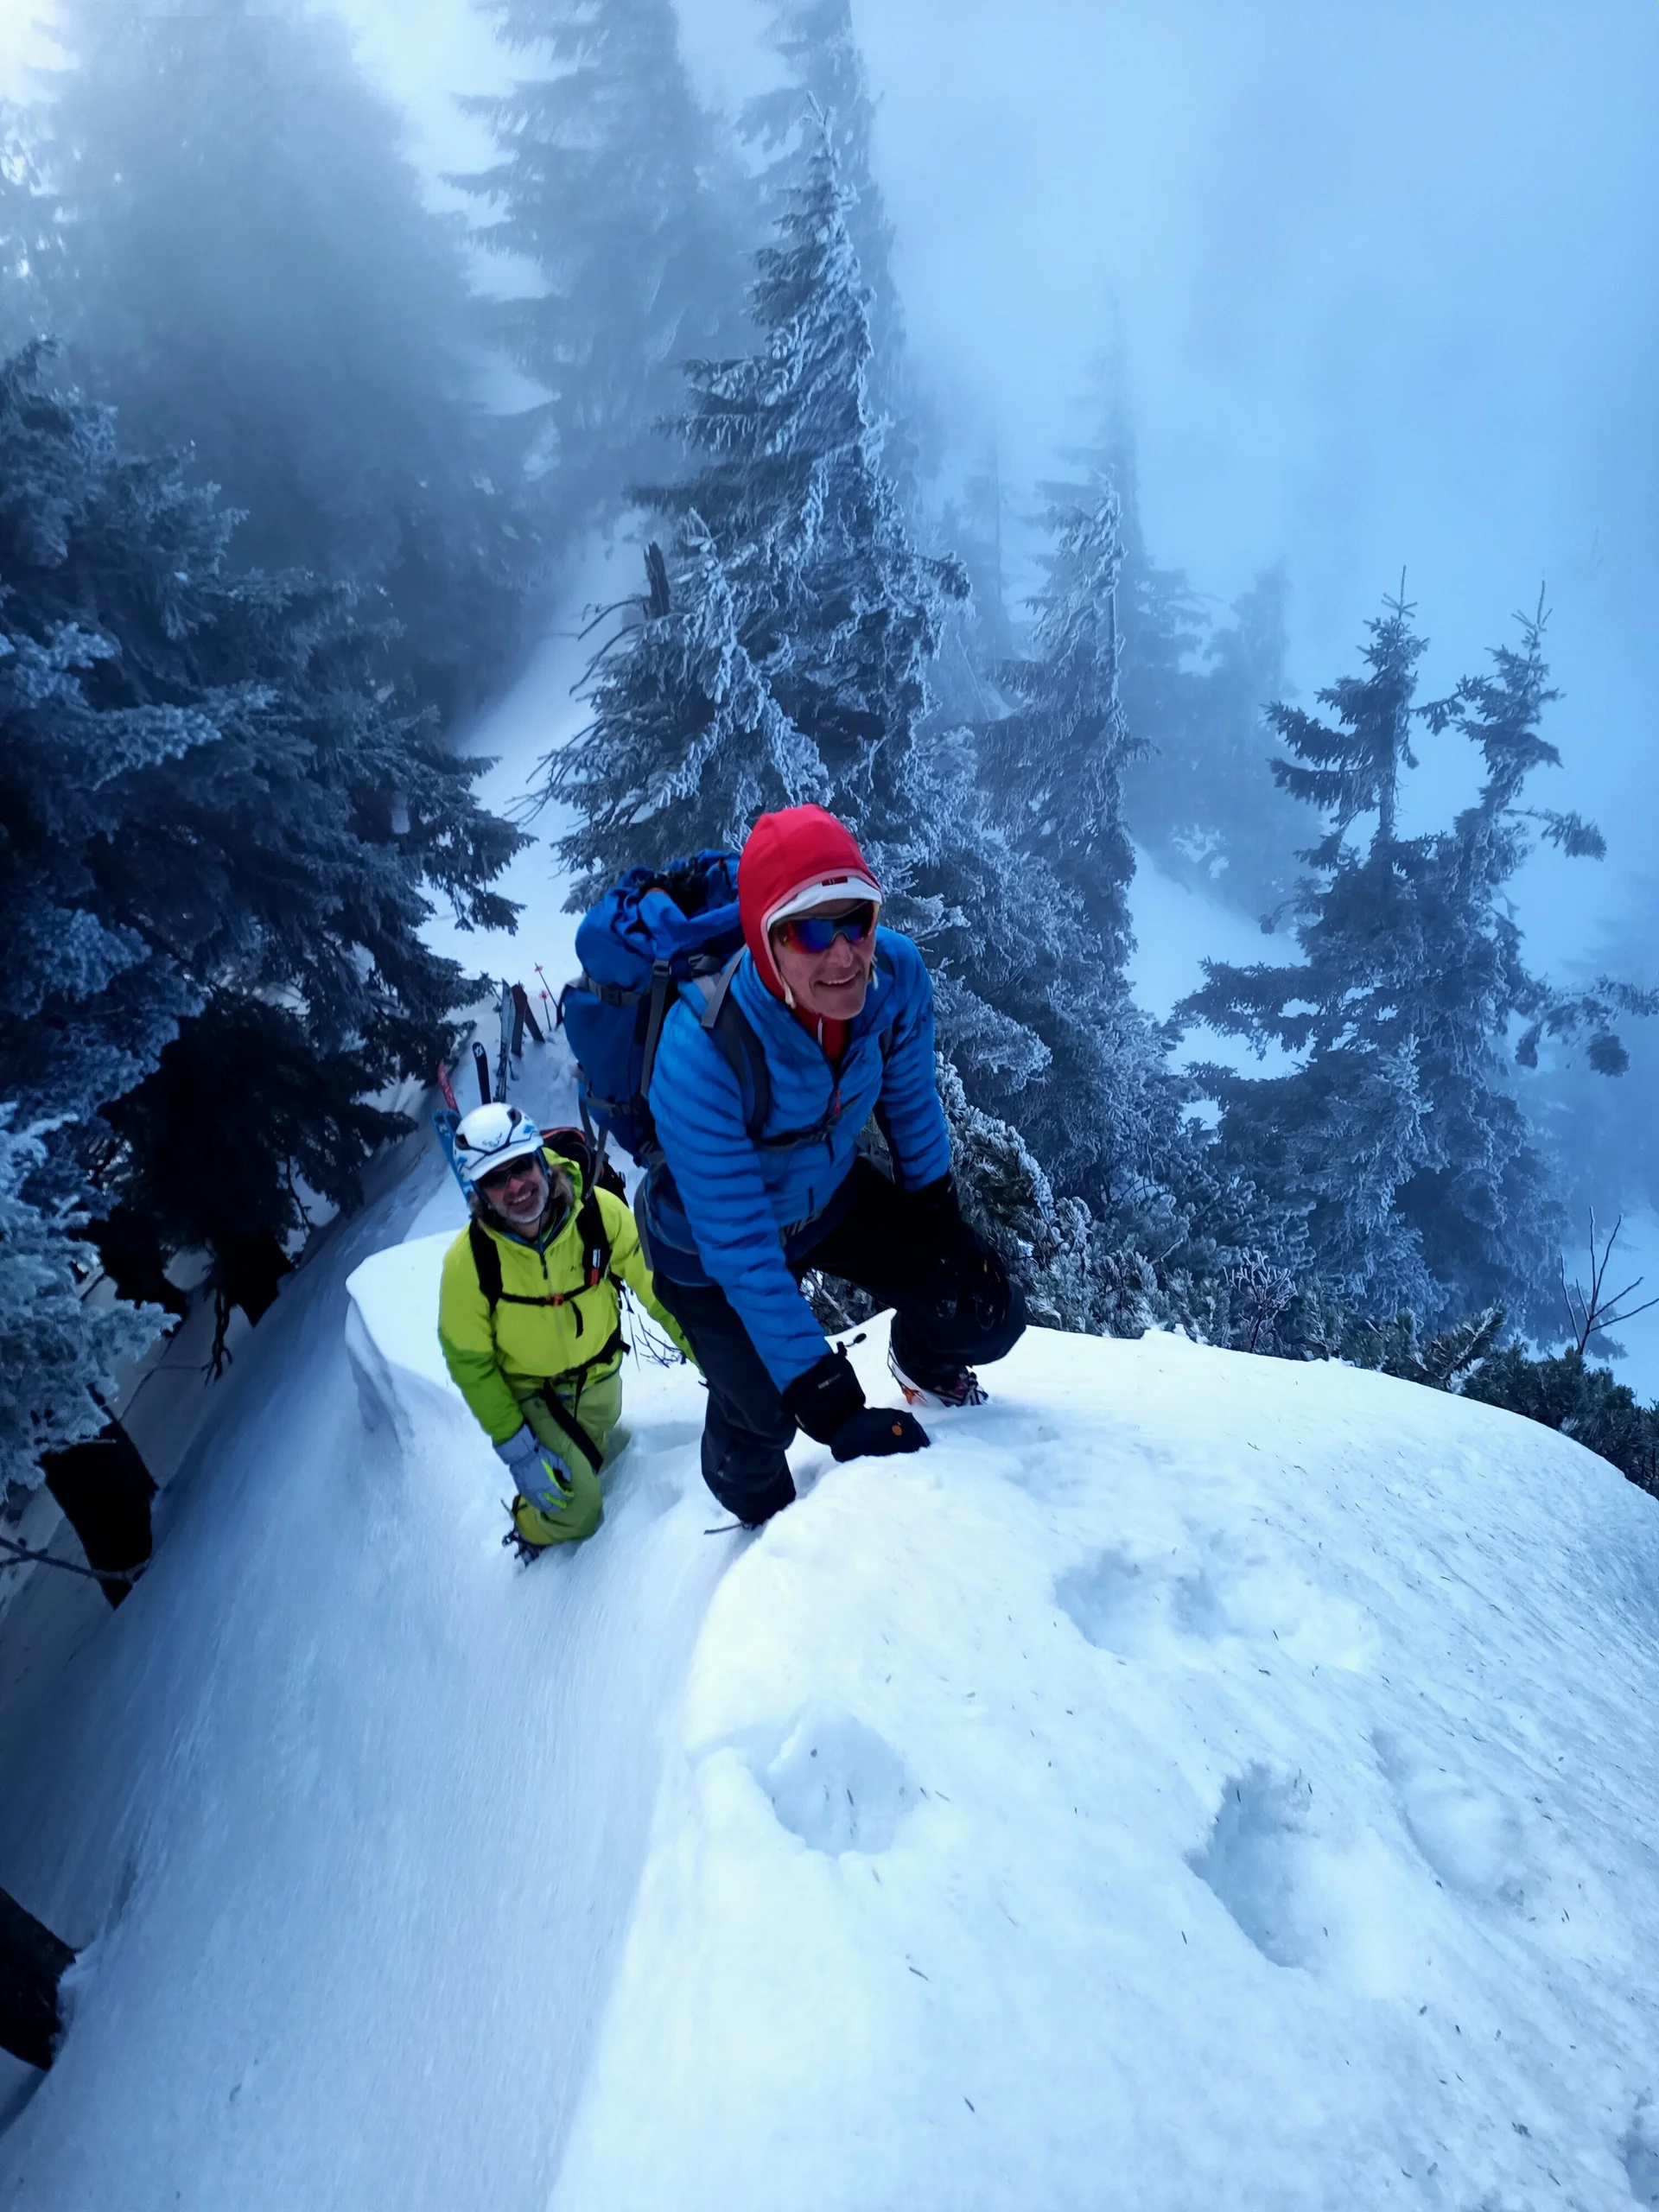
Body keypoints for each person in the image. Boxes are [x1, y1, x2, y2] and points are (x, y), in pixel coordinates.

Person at [645, 804, 1026, 1528]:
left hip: (826, 1196)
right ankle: (759, 1526)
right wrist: (832, 1403)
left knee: (982, 1307)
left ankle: (923, 1360)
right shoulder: (700, 1045)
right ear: (763, 940)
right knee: (767, 1413)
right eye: (810, 932)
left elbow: (911, 1105)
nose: (845, 955)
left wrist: (940, 1223)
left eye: (856, 920)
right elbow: (741, 1248)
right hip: (706, 1247)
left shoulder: (896, 977)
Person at [437, 1104, 690, 1556]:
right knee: (578, 1507)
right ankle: (528, 1526)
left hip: (600, 1379)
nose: (515, 1186)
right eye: (496, 1178)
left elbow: (660, 1290)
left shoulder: (597, 1214)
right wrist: (518, 1450)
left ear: (541, 1159)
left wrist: (715, 1359)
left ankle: (575, 1461)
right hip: (533, 1393)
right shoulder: (469, 1265)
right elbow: (470, 1363)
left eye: (520, 1166)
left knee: (592, 1457)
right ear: (480, 1192)